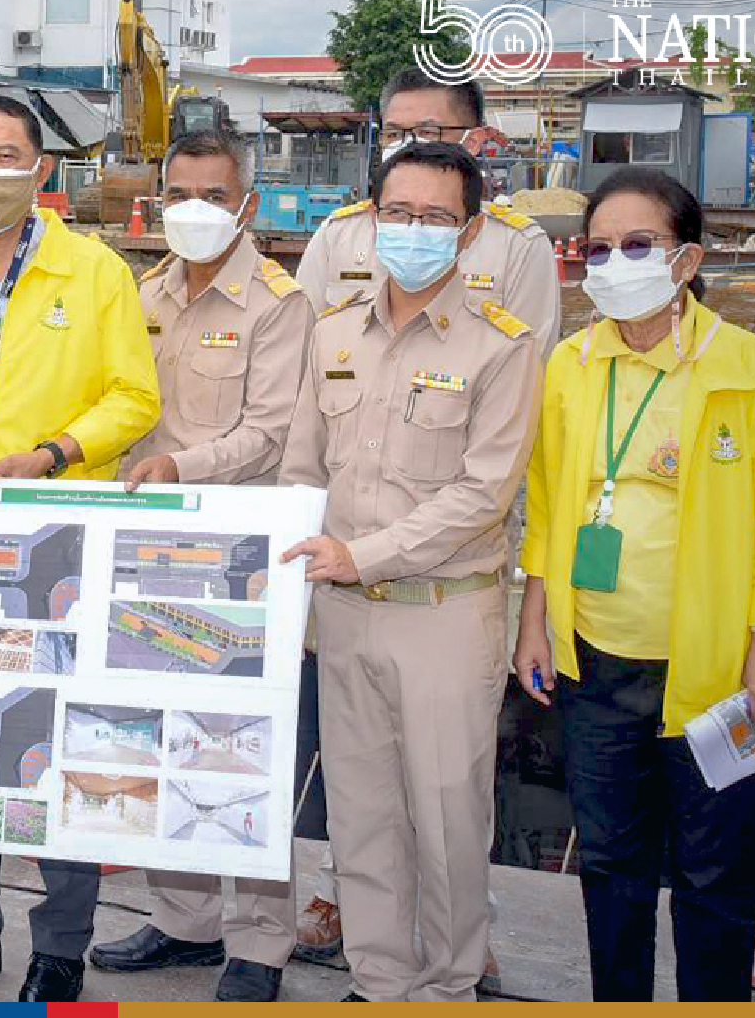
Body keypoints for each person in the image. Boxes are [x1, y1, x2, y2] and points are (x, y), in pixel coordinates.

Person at [512, 168, 755, 1001]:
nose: (616, 264)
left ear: (687, 260)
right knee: (612, 866)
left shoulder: (743, 367)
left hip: (714, 675)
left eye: (638, 244)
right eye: (599, 249)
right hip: (597, 665)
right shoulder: (572, 365)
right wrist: (534, 621)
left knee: (716, 876)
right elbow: (547, 504)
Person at [0, 94, 160, 1004]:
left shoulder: (96, 272)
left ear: (41, 167)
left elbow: (134, 397)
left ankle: (62, 943)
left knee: (59, 742)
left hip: (61, 535)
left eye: (4, 154)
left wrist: (52, 455)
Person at [278, 141, 541, 1002]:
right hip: (344, 613)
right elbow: (302, 468)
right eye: (398, 213)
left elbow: (483, 495)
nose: (414, 230)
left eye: (435, 217)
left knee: (448, 819)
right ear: (371, 219)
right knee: (361, 816)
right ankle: (379, 979)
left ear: (468, 232)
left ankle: (449, 985)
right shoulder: (333, 333)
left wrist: (362, 555)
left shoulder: (501, 347)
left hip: (444, 613)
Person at [87, 128, 312, 1003]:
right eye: (180, 193)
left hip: (238, 553)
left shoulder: (279, 305)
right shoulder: (142, 294)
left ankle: (258, 939)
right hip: (146, 550)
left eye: (213, 196)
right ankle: (182, 918)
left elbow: (273, 430)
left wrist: (183, 466)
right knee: (162, 735)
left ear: (246, 205)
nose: (194, 210)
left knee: (241, 747)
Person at [299, 68, 558, 359]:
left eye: (428, 132)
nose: (407, 146)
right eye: (394, 134)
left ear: (473, 141)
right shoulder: (338, 235)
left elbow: (528, 366)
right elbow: (304, 350)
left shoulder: (519, 247)